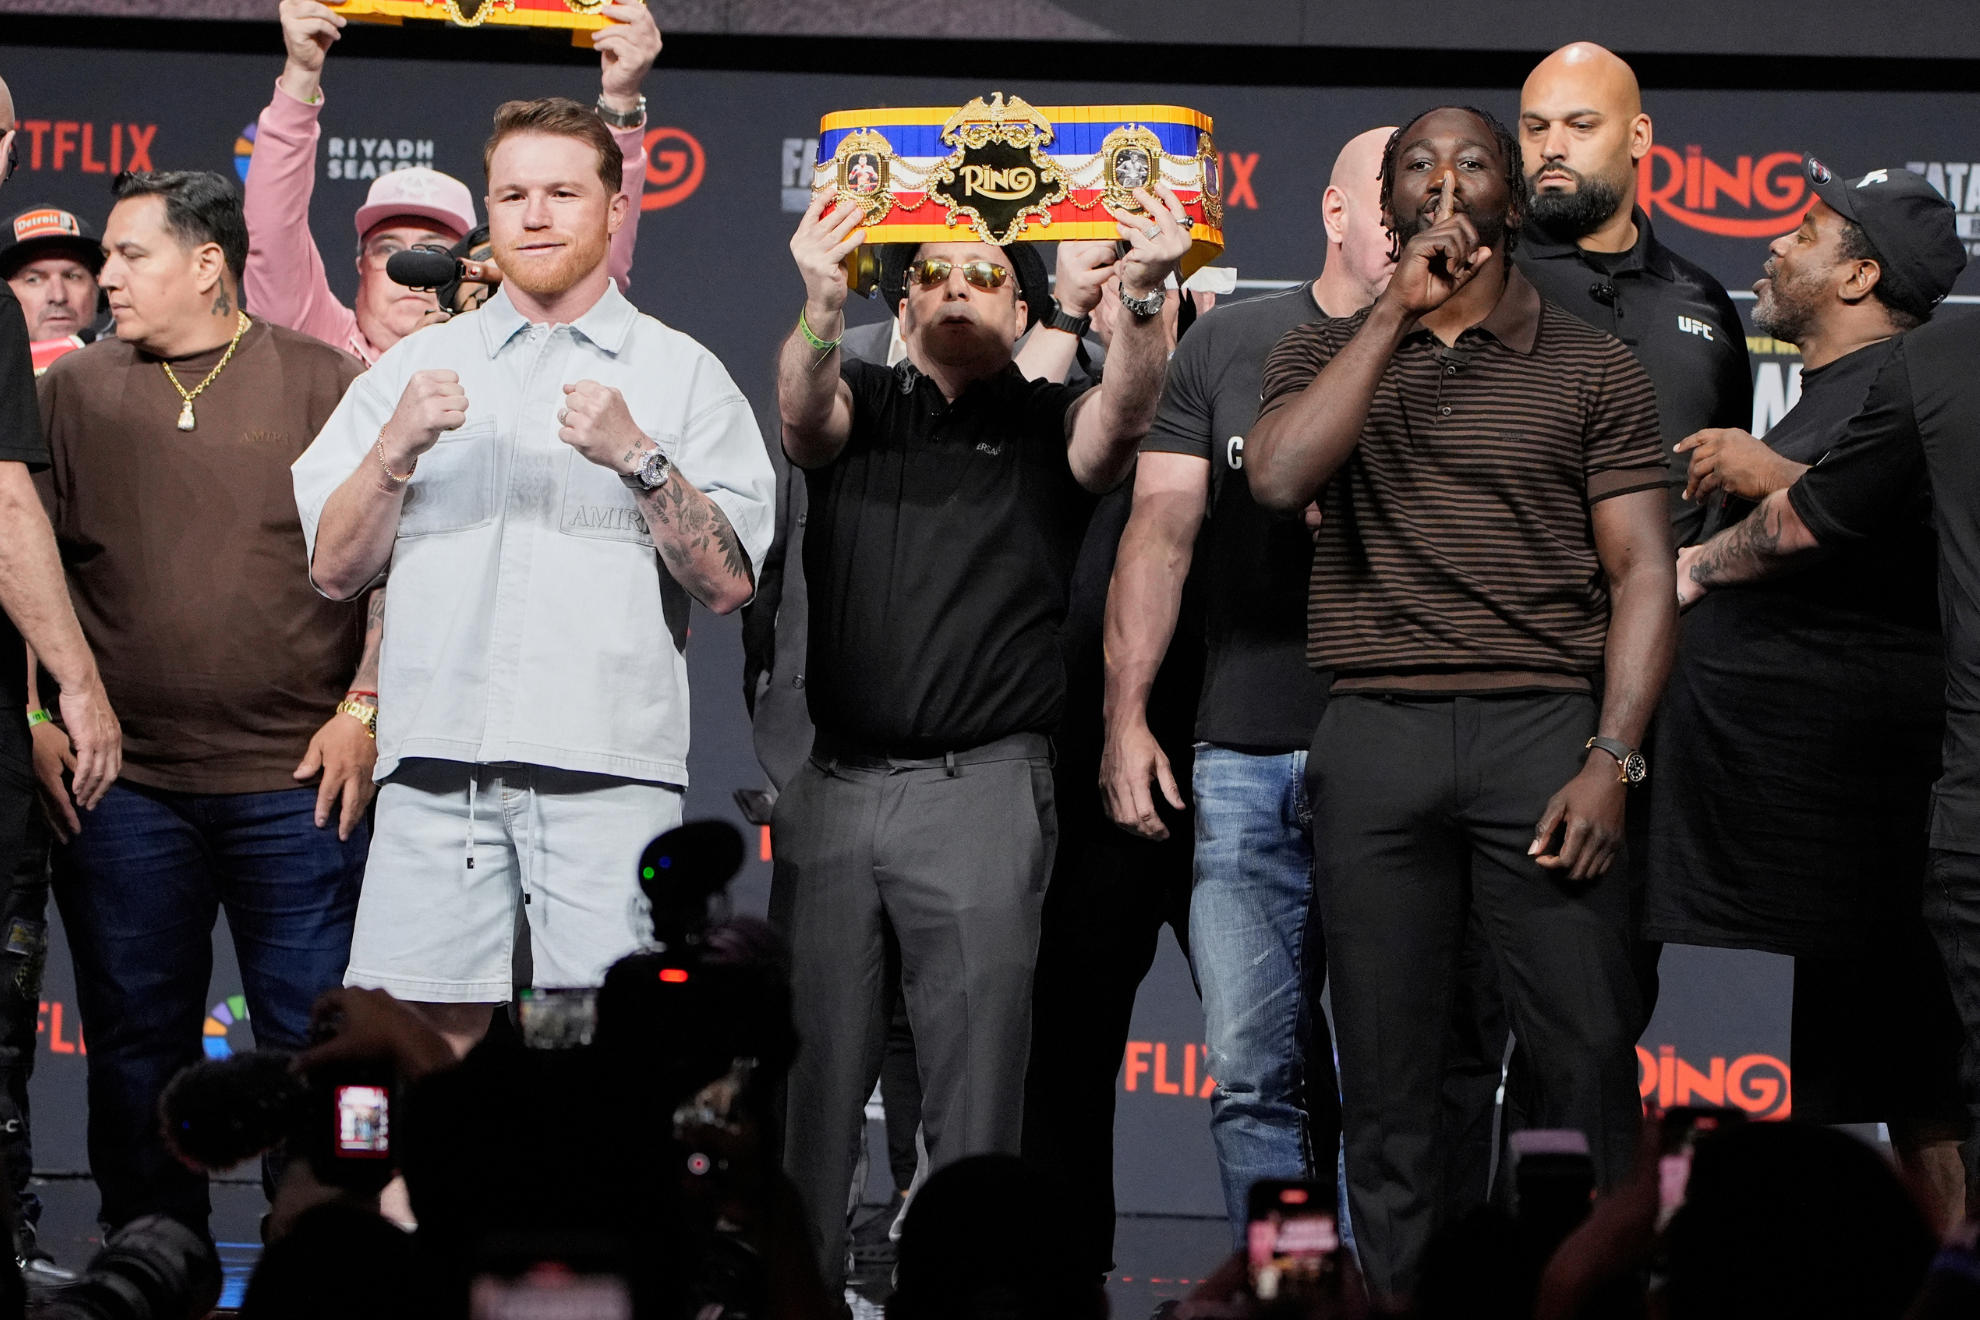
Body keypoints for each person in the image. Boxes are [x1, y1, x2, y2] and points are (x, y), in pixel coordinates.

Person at [1246, 106, 1676, 1303]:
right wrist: (1390, 314)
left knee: (1583, 1063)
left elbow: (1645, 574)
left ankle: (1587, 1298)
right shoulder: (1319, 351)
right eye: (1417, 166)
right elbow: (1277, 478)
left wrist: (1612, 760)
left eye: (1472, 161)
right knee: (1389, 1083)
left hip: (1542, 734)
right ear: (1385, 206)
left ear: (1512, 198)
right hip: (1375, 735)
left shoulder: (1595, 365)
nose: (1444, 182)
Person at [772, 178, 1193, 1295]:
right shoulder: (861, 397)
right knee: (809, 1098)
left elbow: (1127, 419)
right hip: (835, 789)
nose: (958, 288)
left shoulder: (1052, 424)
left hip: (981, 793)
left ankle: (964, 1306)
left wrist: (1141, 296)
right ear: (904, 305)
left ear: (1023, 312)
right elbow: (802, 413)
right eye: (935, 275)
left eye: (985, 276)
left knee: (976, 1108)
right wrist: (821, 299)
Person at [295, 98, 774, 1055]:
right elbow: (334, 570)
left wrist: (640, 457)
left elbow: (728, 584)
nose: (536, 215)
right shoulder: (409, 374)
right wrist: (394, 450)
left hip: (607, 771)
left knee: (606, 1040)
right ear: (489, 210)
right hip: (436, 772)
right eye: (513, 195)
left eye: (563, 192)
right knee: (413, 1039)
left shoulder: (680, 374)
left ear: (614, 208)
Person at [35, 169, 375, 1236]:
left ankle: (321, 1257)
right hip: (123, 788)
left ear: (208, 264)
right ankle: (154, 1260)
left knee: (315, 1044)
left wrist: (364, 709)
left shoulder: (326, 382)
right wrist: (39, 716)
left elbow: (395, 565)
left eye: (130, 255)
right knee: (136, 1044)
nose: (105, 277)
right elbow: (24, 568)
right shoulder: (70, 393)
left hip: (297, 783)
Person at [1646, 159, 1969, 1228]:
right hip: (1818, 831)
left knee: (1928, 1093)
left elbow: (1900, 514)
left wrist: (1744, 511)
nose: (1776, 243)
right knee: (1888, 1093)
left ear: (1860, 276)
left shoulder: (1909, 381)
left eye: (1808, 232)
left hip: (1891, 816)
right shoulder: (1835, 391)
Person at [1098, 126, 1392, 1248]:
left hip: (1399, 752)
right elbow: (1158, 532)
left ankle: (1376, 1297)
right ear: (1334, 212)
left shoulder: (1460, 353)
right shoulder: (1228, 342)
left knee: (1389, 1073)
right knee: (1249, 1071)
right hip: (1244, 750)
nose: (1420, 218)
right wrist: (1127, 716)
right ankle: (1284, 1293)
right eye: (1394, 197)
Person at [245, 0, 660, 365]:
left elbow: (593, 254)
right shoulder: (318, 346)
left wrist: (621, 100)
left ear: (478, 270)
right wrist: (301, 74)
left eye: (434, 251)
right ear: (361, 267)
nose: (411, 270)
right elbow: (272, 231)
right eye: (388, 249)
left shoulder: (525, 358)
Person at [0, 79, 120, 1287]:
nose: (53, 287)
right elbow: (8, 526)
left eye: (73, 271)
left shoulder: (115, 384)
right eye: (29, 272)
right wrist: (54, 701)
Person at [1516, 41, 1751, 548]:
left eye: (1581, 126)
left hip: (1676, 597)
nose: (1551, 147)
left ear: (1638, 136)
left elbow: (1731, 487)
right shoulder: (1482, 281)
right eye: (1536, 128)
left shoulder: (1705, 300)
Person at [1, 206, 103, 373]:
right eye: (34, 280)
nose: (58, 296)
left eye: (73, 276)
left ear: (100, 290)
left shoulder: (134, 372)